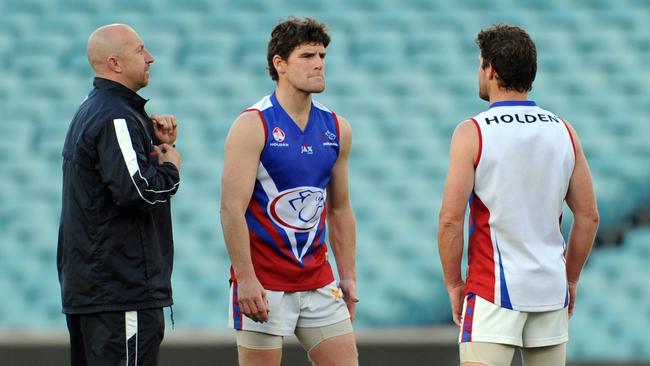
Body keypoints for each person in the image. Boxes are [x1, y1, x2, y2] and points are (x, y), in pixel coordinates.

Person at [438, 24, 599, 366]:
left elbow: (451, 219)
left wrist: (454, 283)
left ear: (491, 70)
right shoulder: (563, 130)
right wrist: (570, 279)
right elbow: (588, 217)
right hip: (549, 289)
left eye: (480, 65)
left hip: (493, 290)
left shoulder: (473, 132)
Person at [220, 17, 358, 366]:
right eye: (307, 55)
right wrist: (247, 280)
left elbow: (339, 209)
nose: (319, 64)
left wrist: (349, 276)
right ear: (279, 64)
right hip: (264, 285)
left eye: (322, 56)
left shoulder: (337, 127)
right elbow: (230, 209)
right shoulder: (253, 124)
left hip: (318, 280)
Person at [57, 24, 181, 366]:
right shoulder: (116, 116)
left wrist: (156, 147)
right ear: (114, 63)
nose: (150, 57)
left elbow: (117, 180)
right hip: (120, 288)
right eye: (141, 50)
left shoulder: (94, 108)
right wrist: (171, 168)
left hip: (96, 289)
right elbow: (137, 192)